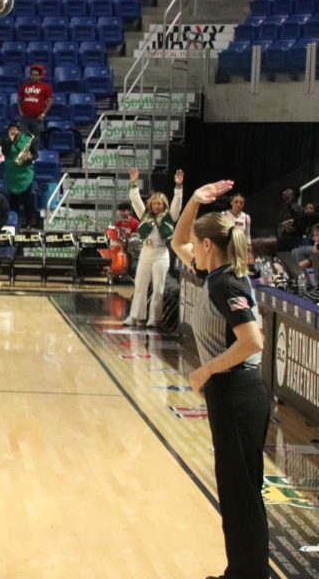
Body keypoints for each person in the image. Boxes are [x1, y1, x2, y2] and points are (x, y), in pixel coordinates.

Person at [168, 177, 269, 579]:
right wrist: (193, 199)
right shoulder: (215, 273)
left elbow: (253, 341)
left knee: (241, 492)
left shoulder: (225, 283)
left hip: (237, 391)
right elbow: (178, 240)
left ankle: (248, 574)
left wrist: (205, 369)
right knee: (235, 490)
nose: (192, 244)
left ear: (208, 246)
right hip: (232, 393)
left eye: (198, 240)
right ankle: (242, 571)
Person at [123, 167, 185, 327]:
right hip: (146, 252)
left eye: (160, 203)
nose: (157, 206)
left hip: (161, 253)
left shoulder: (170, 216)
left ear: (164, 204)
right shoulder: (145, 215)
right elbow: (135, 200)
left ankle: (154, 318)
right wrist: (134, 183)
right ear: (151, 204)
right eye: (155, 203)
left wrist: (178, 187)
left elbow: (177, 205)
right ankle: (135, 316)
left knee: (159, 288)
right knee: (140, 286)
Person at [1, 123, 39, 229]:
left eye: (14, 129)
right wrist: (11, 141)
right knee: (13, 202)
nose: (12, 131)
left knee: (28, 201)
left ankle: (29, 222)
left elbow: (36, 155)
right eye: (10, 130)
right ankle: (14, 222)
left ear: (19, 131)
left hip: (25, 175)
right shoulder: (5, 142)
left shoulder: (27, 140)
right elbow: (5, 152)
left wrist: (30, 157)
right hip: (12, 175)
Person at [16, 65, 53, 138]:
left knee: (36, 139)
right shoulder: (25, 86)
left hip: (37, 118)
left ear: (40, 76)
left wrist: (43, 114)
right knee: (23, 139)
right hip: (25, 117)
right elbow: (19, 99)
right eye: (32, 74)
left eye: (36, 75)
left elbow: (50, 101)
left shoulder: (46, 87)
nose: (33, 76)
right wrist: (20, 112)